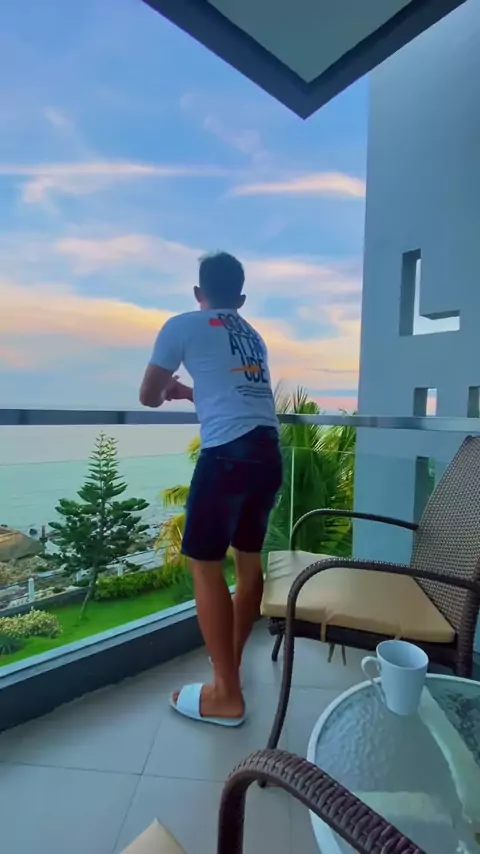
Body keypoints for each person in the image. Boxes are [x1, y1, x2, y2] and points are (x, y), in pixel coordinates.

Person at [139, 252, 282, 726]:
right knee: (249, 561)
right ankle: (230, 666)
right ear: (240, 299)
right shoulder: (252, 336)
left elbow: (147, 396)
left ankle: (226, 695)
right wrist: (188, 392)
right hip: (267, 452)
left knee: (204, 565)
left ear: (198, 292)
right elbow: (232, 394)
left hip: (226, 458)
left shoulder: (183, 324)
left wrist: (169, 389)